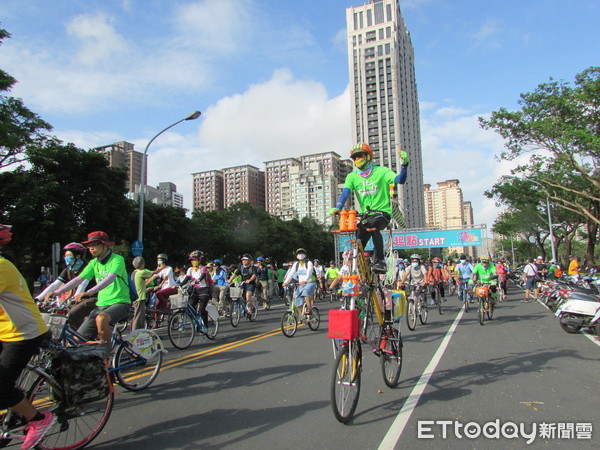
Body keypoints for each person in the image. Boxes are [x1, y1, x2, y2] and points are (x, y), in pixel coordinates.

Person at [0, 224, 57, 450]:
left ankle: (38, 420)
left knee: (1, 386)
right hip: (5, 331)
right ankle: (11, 414)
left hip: (23, 334)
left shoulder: (2, 266)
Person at [330, 143, 409, 273]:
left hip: (382, 212)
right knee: (359, 238)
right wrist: (337, 207)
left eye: (360, 156)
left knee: (373, 225)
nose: (357, 160)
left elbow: (400, 180)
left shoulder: (382, 171)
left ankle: (380, 260)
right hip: (365, 214)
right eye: (354, 158)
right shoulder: (352, 176)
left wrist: (404, 165)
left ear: (368, 156)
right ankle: (359, 266)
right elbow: (345, 193)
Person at [50, 231, 131, 343]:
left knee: (101, 319)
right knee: (77, 340)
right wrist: (56, 293)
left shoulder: (117, 259)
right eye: (89, 246)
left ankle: (106, 357)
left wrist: (89, 292)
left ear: (105, 244)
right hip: (101, 304)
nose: (91, 248)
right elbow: (78, 279)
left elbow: (110, 278)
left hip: (120, 302)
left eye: (95, 245)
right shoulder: (94, 263)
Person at [37, 242, 96, 329]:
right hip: (78, 299)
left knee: (73, 314)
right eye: (65, 256)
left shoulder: (86, 267)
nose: (66, 258)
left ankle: (82, 336)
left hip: (92, 298)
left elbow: (82, 284)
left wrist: (74, 299)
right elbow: (55, 284)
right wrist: (38, 298)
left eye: (69, 255)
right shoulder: (69, 269)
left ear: (78, 256)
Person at [178, 250, 212, 331]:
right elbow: (186, 279)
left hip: (204, 290)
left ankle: (205, 326)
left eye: (195, 260)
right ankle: (196, 321)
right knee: (190, 306)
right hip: (195, 290)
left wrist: (197, 281)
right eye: (192, 260)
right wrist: (179, 285)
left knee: (201, 309)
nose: (193, 262)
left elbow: (203, 276)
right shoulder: (190, 269)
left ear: (200, 260)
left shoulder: (203, 268)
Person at [282, 248, 317, 314]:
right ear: (296, 256)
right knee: (296, 297)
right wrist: (285, 282)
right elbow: (291, 273)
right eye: (298, 253)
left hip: (310, 282)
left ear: (305, 255)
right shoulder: (296, 264)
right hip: (301, 284)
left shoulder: (309, 263)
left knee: (305, 293)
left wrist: (305, 280)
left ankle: (310, 309)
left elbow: (309, 272)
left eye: (302, 253)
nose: (300, 255)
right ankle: (301, 315)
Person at [131, 256, 154, 330]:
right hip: (140, 298)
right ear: (141, 264)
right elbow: (153, 273)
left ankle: (140, 333)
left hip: (135, 297)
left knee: (139, 317)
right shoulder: (141, 272)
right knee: (138, 318)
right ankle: (135, 335)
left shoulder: (133, 273)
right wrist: (161, 268)